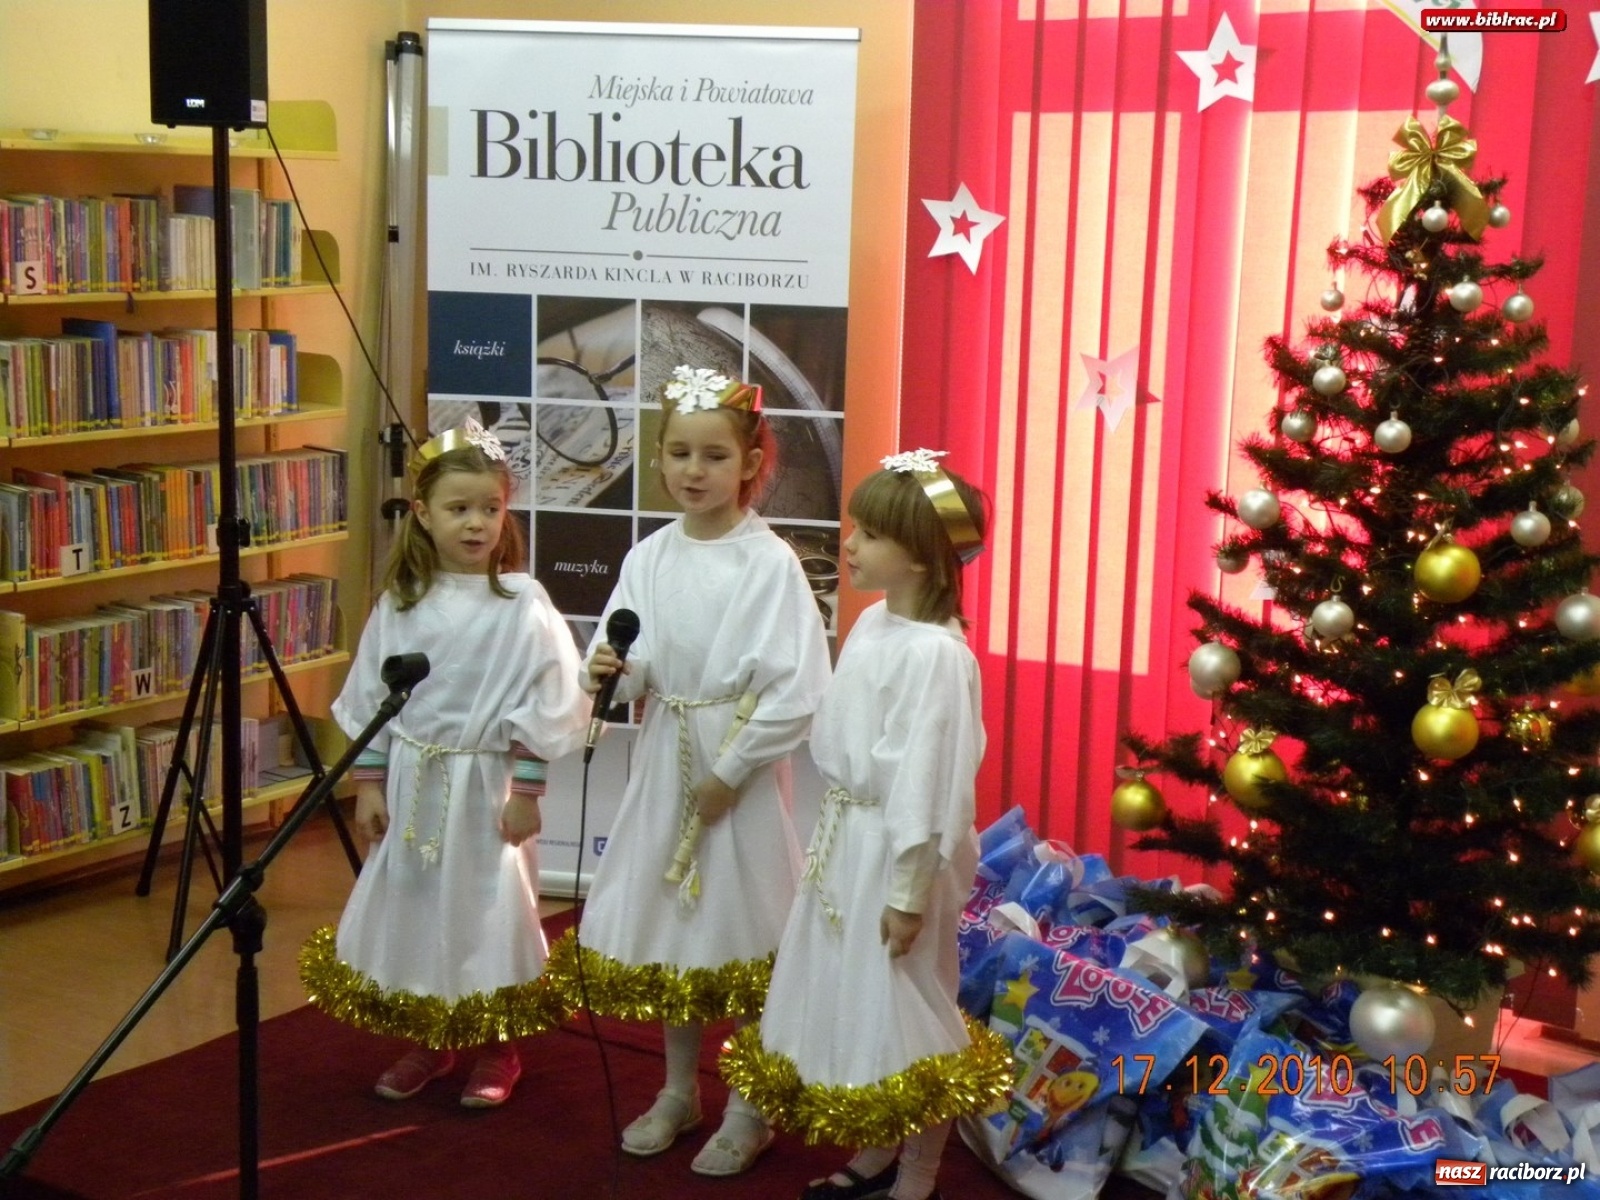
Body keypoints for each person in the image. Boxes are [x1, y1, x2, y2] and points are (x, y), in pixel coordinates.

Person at [545, 364, 831, 1176]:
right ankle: (679, 1089)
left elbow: (795, 687)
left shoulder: (767, 564)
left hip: (730, 778)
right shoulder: (650, 555)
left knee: (740, 930)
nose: (693, 471)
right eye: (678, 453)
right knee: (679, 931)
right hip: (667, 765)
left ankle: (749, 1105)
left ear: (750, 463)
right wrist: (612, 668)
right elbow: (634, 662)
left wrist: (732, 770)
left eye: (712, 455)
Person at [719, 449, 1013, 1200]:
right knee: (855, 993)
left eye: (870, 534)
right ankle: (880, 1153)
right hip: (849, 841)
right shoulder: (876, 624)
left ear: (920, 556)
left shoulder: (938, 658)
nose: (848, 544)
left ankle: (919, 1174)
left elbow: (930, 784)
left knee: (904, 1005)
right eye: (854, 528)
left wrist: (909, 890)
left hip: (897, 852)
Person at [300, 418, 588, 1108]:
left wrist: (526, 789)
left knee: (485, 910)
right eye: (459, 510)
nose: (476, 524)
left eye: (490, 509)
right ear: (424, 514)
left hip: (486, 786)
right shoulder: (402, 604)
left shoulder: (523, 604)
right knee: (420, 906)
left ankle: (498, 1048)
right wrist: (369, 785)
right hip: (415, 782)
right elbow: (375, 700)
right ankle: (431, 1038)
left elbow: (546, 699)